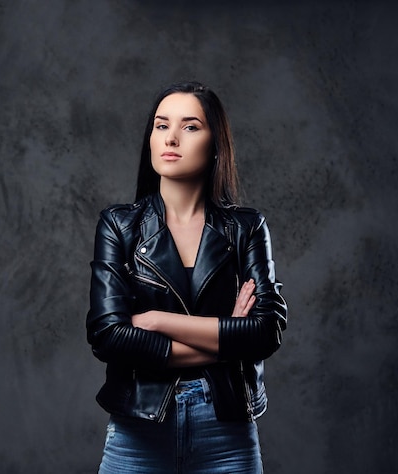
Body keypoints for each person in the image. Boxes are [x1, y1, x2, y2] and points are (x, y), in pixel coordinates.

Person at [86, 80, 288, 473]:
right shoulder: (119, 225)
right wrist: (227, 337)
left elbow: (266, 332)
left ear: (215, 144)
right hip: (139, 429)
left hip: (226, 430)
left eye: (190, 126)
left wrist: (159, 322)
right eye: (161, 126)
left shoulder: (246, 228)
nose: (172, 138)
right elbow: (108, 337)